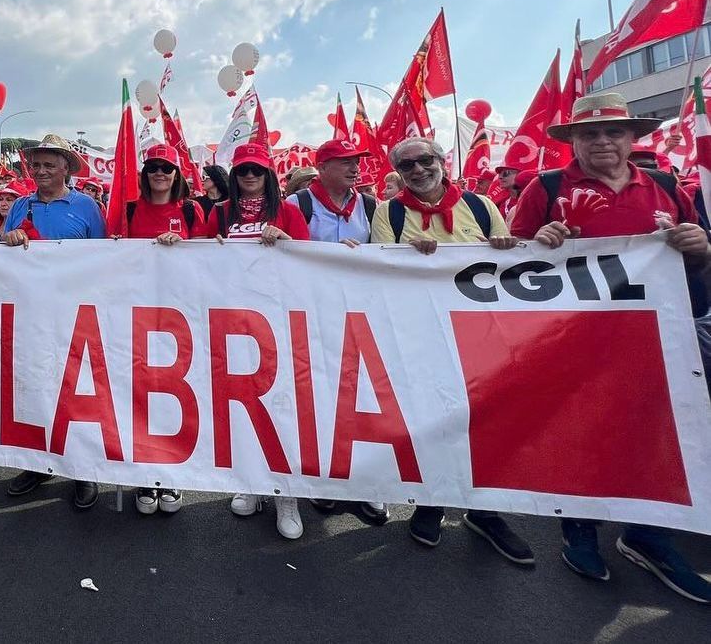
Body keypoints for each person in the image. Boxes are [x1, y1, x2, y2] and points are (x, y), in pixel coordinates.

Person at [509, 94, 711, 603]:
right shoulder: (547, 187)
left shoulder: (666, 188)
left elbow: (699, 262)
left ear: (632, 138)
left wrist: (702, 248)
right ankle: (579, 527)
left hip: (656, 339)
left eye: (614, 132)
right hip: (573, 340)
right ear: (573, 141)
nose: (602, 142)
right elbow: (510, 263)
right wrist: (539, 243)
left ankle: (648, 533)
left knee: (654, 432)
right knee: (578, 429)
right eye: (590, 134)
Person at [369, 136, 533, 565]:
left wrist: (502, 246)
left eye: (426, 160)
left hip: (478, 337)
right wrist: (408, 255)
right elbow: (382, 267)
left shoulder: (480, 207)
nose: (419, 170)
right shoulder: (390, 212)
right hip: (420, 335)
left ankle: (484, 511)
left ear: (442, 161)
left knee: (484, 421)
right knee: (432, 420)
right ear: (399, 175)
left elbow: (510, 267)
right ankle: (431, 503)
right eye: (408, 166)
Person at [202, 142, 310, 537]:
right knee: (244, 405)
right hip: (234, 322)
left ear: (269, 175)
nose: (250, 176)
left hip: (278, 320)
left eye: (257, 170)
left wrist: (287, 241)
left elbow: (313, 263)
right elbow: (191, 259)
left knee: (283, 407)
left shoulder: (290, 211)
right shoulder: (218, 213)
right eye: (243, 170)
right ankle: (253, 484)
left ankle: (288, 495)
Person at [285, 138, 388, 527]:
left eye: (356, 161)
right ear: (322, 166)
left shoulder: (373, 206)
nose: (354, 167)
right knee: (318, 404)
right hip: (310, 321)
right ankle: (323, 483)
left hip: (361, 320)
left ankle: (367, 486)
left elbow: (386, 256)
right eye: (344, 161)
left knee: (362, 403)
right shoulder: (297, 206)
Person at [2, 134, 107, 509]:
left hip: (75, 316)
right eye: (38, 165)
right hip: (31, 315)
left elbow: (103, 259)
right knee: (33, 389)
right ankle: (38, 463)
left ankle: (84, 469)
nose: (42, 171)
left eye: (50, 164)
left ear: (65, 168)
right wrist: (9, 239)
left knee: (77, 394)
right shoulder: (19, 207)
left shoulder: (88, 207)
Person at [121, 143, 203, 515]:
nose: (159, 173)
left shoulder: (191, 209)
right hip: (137, 313)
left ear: (176, 174)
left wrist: (182, 246)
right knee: (140, 392)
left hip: (178, 316)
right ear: (145, 172)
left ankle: (169, 473)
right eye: (153, 166)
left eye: (166, 168)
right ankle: (143, 475)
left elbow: (208, 258)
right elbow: (112, 252)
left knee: (174, 394)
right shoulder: (130, 209)